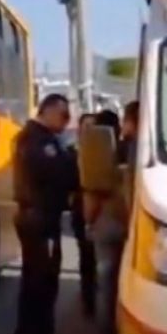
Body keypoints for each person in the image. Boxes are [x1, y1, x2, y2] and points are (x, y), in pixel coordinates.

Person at [11, 93, 78, 334]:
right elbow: (62, 175)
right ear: (47, 111)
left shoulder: (39, 138)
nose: (66, 121)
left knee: (37, 280)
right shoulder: (37, 140)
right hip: (39, 218)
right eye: (63, 115)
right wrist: (71, 158)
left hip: (40, 217)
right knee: (42, 283)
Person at [82, 109, 128, 334]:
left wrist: (89, 222)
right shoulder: (135, 149)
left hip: (107, 222)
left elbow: (92, 196)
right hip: (132, 223)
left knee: (106, 281)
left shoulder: (97, 154)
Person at [68, 112, 98, 320]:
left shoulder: (104, 152)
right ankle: (89, 300)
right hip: (79, 210)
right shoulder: (70, 152)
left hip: (99, 211)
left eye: (92, 127)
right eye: (84, 126)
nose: (88, 130)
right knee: (86, 256)